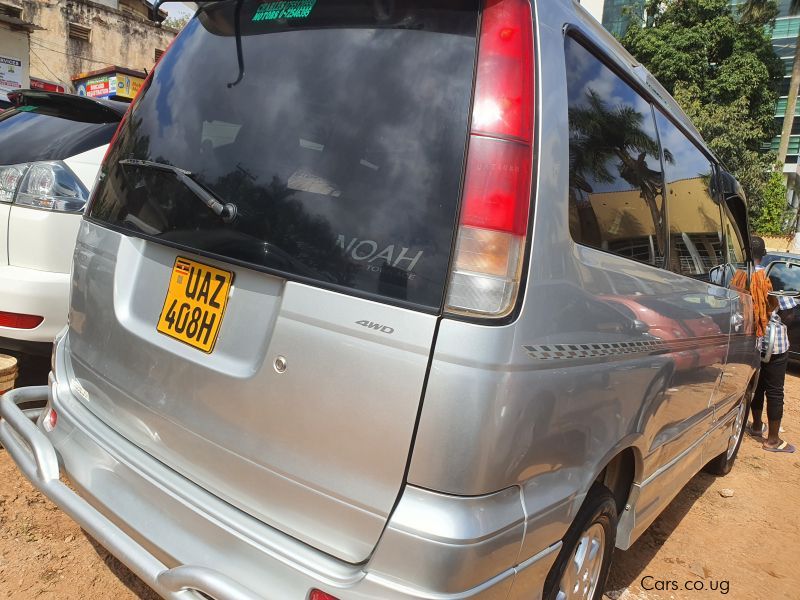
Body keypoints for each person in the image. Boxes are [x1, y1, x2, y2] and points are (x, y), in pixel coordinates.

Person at [748, 236, 796, 453]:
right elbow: (789, 312)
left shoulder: (740, 275)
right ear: (764, 254)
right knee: (775, 391)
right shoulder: (772, 278)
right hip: (775, 344)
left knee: (756, 385)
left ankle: (756, 426)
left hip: (752, 342)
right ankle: (773, 440)